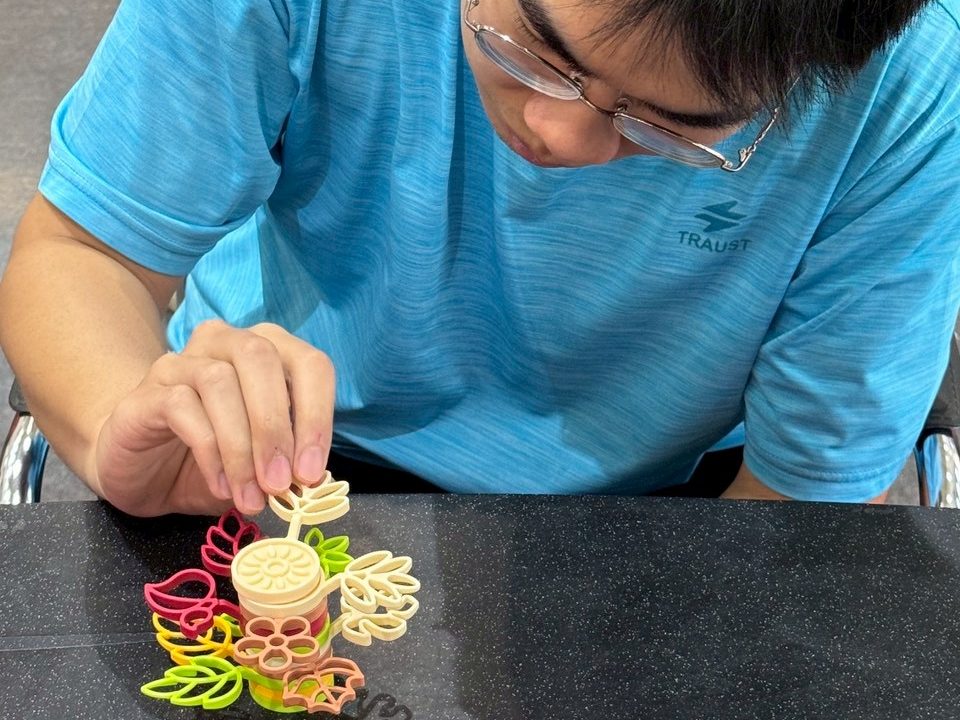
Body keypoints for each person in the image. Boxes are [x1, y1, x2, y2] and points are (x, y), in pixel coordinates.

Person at [0, 0, 957, 517]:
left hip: (668, 507)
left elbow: (797, 502)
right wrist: (115, 418)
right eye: (533, 46)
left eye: (666, 124)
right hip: (279, 449)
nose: (557, 136)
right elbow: (84, 252)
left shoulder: (915, 81)